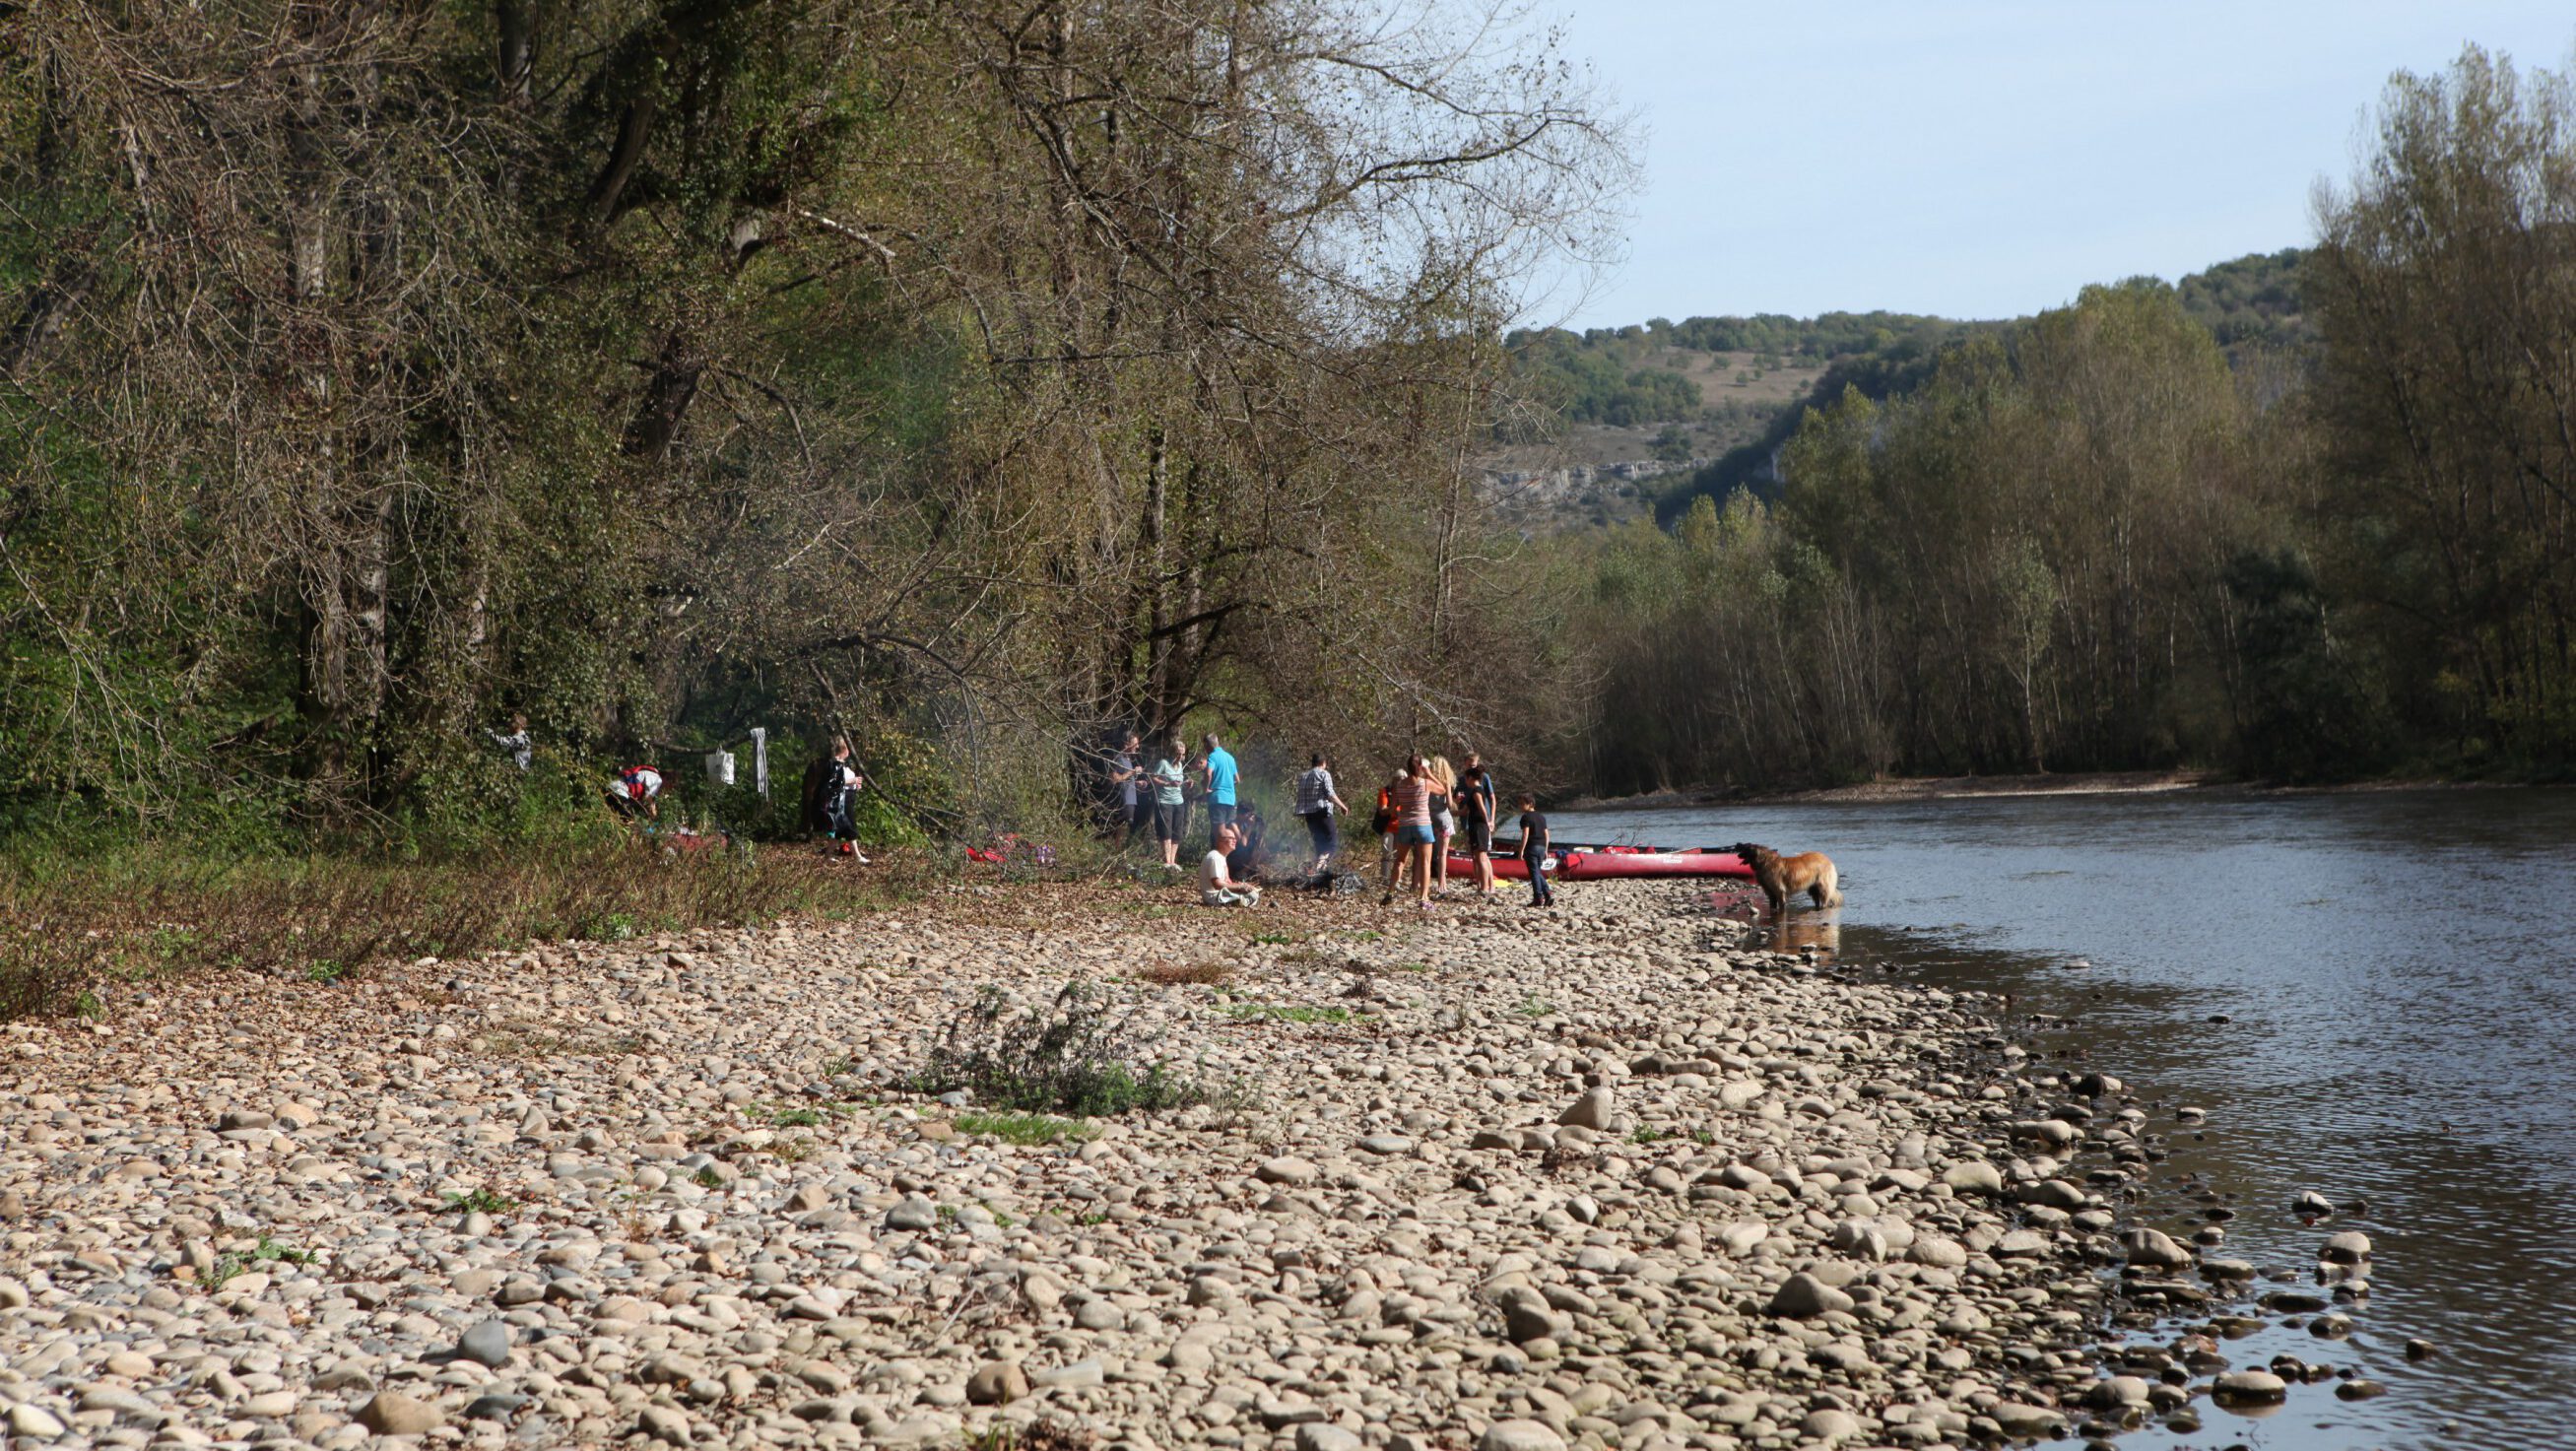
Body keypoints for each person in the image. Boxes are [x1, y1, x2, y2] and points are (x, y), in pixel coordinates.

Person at [1381, 755, 1439, 908]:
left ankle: (1390, 892)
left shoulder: (1399, 786)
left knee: (1400, 860)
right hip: (1423, 825)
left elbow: (1393, 810)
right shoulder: (1425, 783)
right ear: (1420, 767)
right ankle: (1424, 898)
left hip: (1405, 825)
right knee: (1425, 861)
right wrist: (1429, 773)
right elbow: (1442, 789)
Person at [800, 738, 871, 861]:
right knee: (850, 828)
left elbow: (841, 782)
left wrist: (855, 785)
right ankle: (858, 856)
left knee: (838, 830)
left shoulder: (842, 764)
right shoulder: (835, 765)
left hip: (847, 798)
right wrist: (852, 781)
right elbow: (833, 784)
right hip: (842, 802)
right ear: (845, 749)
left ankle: (828, 855)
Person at [1292, 753, 1351, 877]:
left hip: (1308, 815)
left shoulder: (1303, 776)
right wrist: (1342, 806)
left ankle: (1321, 872)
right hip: (1322, 813)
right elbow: (1330, 793)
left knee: (1320, 843)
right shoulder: (1324, 774)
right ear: (1323, 763)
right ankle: (1317, 869)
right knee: (1332, 843)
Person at [1456, 750, 1498, 897]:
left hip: (1481, 823)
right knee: (1476, 855)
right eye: (1469, 765)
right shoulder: (1463, 780)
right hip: (1471, 822)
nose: (1471, 767)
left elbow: (1486, 803)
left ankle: (1488, 886)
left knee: (1483, 855)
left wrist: (1490, 821)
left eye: (1473, 765)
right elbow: (1461, 807)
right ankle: (1481, 884)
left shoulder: (1481, 782)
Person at [1150, 738, 1191, 871]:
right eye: (1178, 754)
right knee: (1166, 831)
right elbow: (1153, 777)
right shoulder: (1163, 763)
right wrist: (1167, 783)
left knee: (1177, 831)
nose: (1180, 757)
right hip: (1164, 801)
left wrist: (1187, 783)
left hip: (1179, 802)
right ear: (1172, 752)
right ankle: (1167, 860)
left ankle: (1173, 861)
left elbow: (1180, 784)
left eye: (1183, 754)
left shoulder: (1180, 766)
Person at [1201, 824, 1261, 907]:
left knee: (1252, 892)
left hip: (1222, 894)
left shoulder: (1222, 857)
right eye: (1231, 838)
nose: (1235, 841)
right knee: (1252, 896)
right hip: (1215, 898)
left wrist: (1242, 885)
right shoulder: (1215, 857)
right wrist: (1239, 887)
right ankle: (1238, 901)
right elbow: (1217, 884)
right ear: (1221, 841)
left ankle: (1240, 900)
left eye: (1235, 838)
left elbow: (1227, 881)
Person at [1198, 731, 1239, 851]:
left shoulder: (1212, 756)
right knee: (1227, 831)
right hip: (1230, 800)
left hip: (1217, 799)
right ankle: (1227, 860)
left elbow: (1208, 773)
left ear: (1207, 745)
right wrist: (1227, 784)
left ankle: (1218, 860)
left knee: (1219, 833)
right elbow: (1237, 779)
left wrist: (1206, 789)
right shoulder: (1230, 758)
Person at [1109, 731, 1149, 843]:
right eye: (1135, 744)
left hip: (1131, 799)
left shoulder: (1128, 759)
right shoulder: (1119, 758)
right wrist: (1132, 773)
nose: (1138, 747)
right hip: (1123, 799)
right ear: (1126, 744)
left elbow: (1125, 779)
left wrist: (1137, 783)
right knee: (1121, 826)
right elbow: (1114, 779)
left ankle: (1122, 854)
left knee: (1125, 827)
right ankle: (1117, 852)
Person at [1425, 755, 1458, 895]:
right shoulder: (1446, 784)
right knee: (1442, 854)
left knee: (1428, 853)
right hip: (1444, 820)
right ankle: (1442, 883)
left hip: (1431, 820)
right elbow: (1449, 804)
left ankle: (1420, 883)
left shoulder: (1427, 782)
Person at [1517, 793, 1553, 908]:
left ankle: (1538, 898)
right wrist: (1546, 849)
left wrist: (1521, 850)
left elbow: (1525, 834)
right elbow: (1547, 834)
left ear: (1530, 804)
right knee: (1537, 871)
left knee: (1534, 873)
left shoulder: (1526, 817)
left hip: (1531, 847)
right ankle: (1547, 893)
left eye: (1523, 804)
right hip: (1542, 847)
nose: (1520, 806)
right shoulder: (1541, 817)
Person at [1226, 804, 1268, 882]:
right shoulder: (1233, 824)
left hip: (1243, 857)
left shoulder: (1245, 825)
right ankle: (1240, 873)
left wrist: (1261, 832)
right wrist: (1250, 826)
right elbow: (1243, 843)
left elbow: (1258, 845)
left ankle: (1244, 872)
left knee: (1262, 851)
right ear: (1240, 814)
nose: (1250, 818)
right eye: (1249, 815)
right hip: (1233, 858)